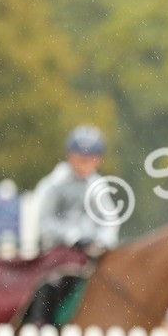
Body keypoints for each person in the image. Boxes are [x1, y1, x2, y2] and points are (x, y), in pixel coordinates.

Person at [25, 125, 119, 325]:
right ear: (70, 156)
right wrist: (72, 236)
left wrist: (103, 241)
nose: (85, 164)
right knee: (54, 278)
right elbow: (45, 220)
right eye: (80, 158)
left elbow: (109, 219)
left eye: (90, 159)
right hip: (59, 247)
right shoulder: (53, 184)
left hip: (91, 249)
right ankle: (41, 321)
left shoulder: (98, 186)